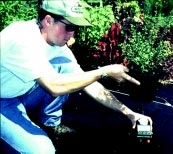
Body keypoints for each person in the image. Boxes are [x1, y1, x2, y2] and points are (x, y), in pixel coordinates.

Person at [0, 0, 153, 153]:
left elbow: (87, 81)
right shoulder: (21, 39)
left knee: (66, 69)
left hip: (16, 93)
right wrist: (103, 71)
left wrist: (129, 112)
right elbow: (54, 86)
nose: (72, 34)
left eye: (76, 28)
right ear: (48, 20)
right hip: (3, 101)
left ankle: (49, 124)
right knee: (43, 151)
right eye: (69, 27)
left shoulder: (57, 45)